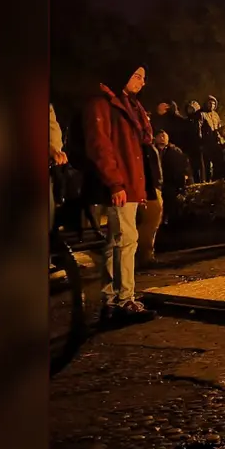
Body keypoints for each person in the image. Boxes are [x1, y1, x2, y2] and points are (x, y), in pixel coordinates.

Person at [78, 63, 157, 324]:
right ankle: (125, 299)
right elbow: (100, 145)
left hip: (128, 182)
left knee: (117, 241)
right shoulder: (102, 104)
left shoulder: (127, 105)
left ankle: (111, 300)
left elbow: (137, 145)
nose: (142, 82)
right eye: (137, 76)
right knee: (126, 241)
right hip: (120, 183)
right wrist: (115, 183)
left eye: (143, 78)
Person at [155, 130, 193, 225]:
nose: (162, 138)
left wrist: (185, 179)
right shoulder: (151, 150)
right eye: (160, 136)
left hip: (170, 183)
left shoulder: (175, 151)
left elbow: (184, 166)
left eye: (164, 136)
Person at [137, 133, 164, 266]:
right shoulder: (143, 147)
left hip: (152, 187)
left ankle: (145, 254)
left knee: (151, 223)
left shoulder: (148, 147)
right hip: (149, 189)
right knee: (149, 223)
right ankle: (144, 256)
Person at [199, 96, 224, 181]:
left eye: (213, 103)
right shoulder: (201, 114)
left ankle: (216, 181)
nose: (212, 105)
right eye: (210, 103)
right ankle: (207, 182)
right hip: (206, 143)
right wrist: (201, 142)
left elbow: (219, 127)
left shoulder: (216, 115)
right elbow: (199, 129)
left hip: (216, 142)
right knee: (207, 166)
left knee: (218, 163)